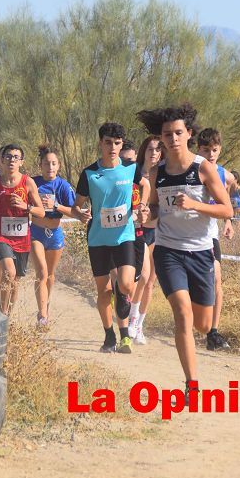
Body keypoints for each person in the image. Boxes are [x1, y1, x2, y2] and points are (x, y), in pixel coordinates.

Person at [136, 103, 232, 393]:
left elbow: (227, 210)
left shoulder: (203, 169)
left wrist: (195, 205)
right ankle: (192, 384)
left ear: (189, 134)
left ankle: (199, 328)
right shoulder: (158, 173)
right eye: (167, 134)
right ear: (161, 138)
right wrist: (145, 215)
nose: (173, 138)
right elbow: (153, 211)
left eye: (178, 132)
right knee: (181, 312)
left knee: (202, 324)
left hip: (201, 251)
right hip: (168, 251)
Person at [74, 122, 149, 354]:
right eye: (108, 142)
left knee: (126, 284)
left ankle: (122, 297)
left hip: (124, 235)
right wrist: (80, 214)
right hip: (98, 239)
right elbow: (76, 206)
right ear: (100, 143)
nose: (113, 147)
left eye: (117, 143)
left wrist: (143, 206)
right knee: (103, 292)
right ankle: (109, 336)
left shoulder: (130, 168)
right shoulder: (89, 173)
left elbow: (145, 185)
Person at [0, 144, 45, 316]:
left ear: (21, 162)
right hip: (0, 235)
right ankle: (2, 314)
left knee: (15, 281)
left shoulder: (28, 182)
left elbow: (41, 212)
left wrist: (25, 206)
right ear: (1, 160)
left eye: (15, 157)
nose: (11, 160)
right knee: (8, 272)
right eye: (8, 157)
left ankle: (9, 317)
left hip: (22, 237)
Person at [30, 145, 78, 327]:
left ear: (58, 166)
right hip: (36, 231)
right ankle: (42, 316)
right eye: (46, 163)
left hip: (55, 233)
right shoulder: (32, 183)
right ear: (40, 165)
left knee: (50, 275)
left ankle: (45, 305)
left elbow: (74, 212)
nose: (50, 167)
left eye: (53, 163)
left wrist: (55, 205)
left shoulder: (63, 186)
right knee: (41, 272)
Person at [196, 128, 233, 351]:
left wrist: (228, 222)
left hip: (211, 234)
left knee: (217, 280)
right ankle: (192, 323)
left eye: (215, 150)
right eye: (206, 150)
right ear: (198, 149)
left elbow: (225, 203)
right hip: (189, 235)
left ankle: (213, 333)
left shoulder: (222, 174)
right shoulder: (192, 170)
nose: (211, 154)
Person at [129, 136, 162, 345]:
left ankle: (140, 324)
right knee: (143, 275)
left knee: (150, 282)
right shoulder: (133, 171)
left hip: (158, 231)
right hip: (136, 230)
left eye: (158, 149)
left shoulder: (164, 173)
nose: (154, 153)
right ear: (144, 150)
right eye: (150, 148)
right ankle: (131, 318)